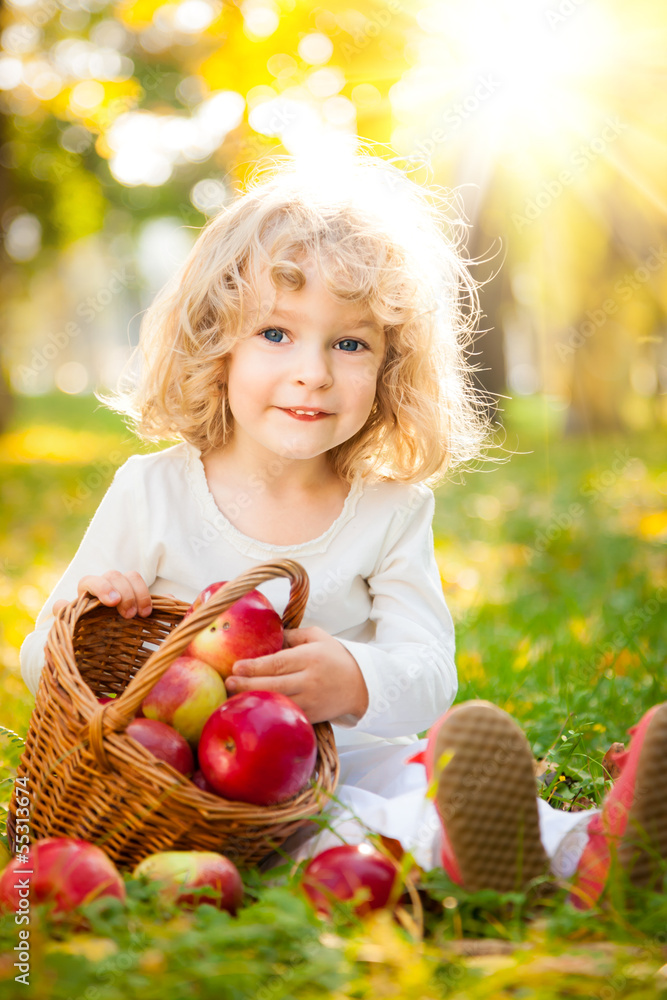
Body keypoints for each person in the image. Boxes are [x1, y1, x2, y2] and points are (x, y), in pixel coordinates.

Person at [18, 152, 663, 908]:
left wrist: (357, 680)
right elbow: (42, 661)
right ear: (215, 343)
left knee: (425, 776)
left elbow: (428, 671)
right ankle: (476, 857)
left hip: (354, 752)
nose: (313, 373)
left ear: (392, 368)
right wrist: (91, 607)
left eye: (349, 344)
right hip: (209, 790)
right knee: (341, 828)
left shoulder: (390, 511)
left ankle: (589, 844)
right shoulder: (152, 492)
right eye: (275, 334)